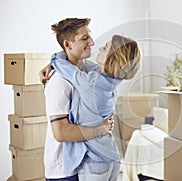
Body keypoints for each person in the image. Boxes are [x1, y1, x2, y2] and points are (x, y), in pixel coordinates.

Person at [49, 34, 141, 181]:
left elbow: (61, 64)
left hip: (95, 161)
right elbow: (89, 67)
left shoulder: (90, 83)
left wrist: (53, 61)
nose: (99, 48)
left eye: (105, 48)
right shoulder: (112, 81)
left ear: (112, 58)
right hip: (111, 157)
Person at [41, 18, 114, 181]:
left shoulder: (87, 69)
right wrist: (101, 129)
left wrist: (54, 61)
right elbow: (61, 132)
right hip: (64, 170)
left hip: (83, 162)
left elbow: (113, 71)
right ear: (68, 45)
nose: (92, 42)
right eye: (84, 38)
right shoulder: (59, 81)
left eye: (90, 36)